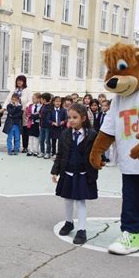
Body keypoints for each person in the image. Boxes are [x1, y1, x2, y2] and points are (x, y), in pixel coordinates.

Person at [51, 103, 98, 245]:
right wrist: (55, 171)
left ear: (83, 118)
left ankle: (82, 229)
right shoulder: (65, 134)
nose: (71, 120)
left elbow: (97, 153)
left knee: (80, 201)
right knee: (67, 199)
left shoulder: (92, 134)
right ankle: (69, 222)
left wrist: (99, 162)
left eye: (75, 117)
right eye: (69, 117)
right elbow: (60, 154)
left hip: (83, 173)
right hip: (68, 171)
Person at [38, 92, 53, 159]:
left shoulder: (50, 106)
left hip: (48, 127)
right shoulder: (43, 106)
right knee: (41, 139)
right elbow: (40, 114)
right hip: (42, 125)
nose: (40, 100)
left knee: (47, 140)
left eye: (41, 99)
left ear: (44, 99)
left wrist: (41, 116)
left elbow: (47, 116)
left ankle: (48, 152)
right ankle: (42, 151)